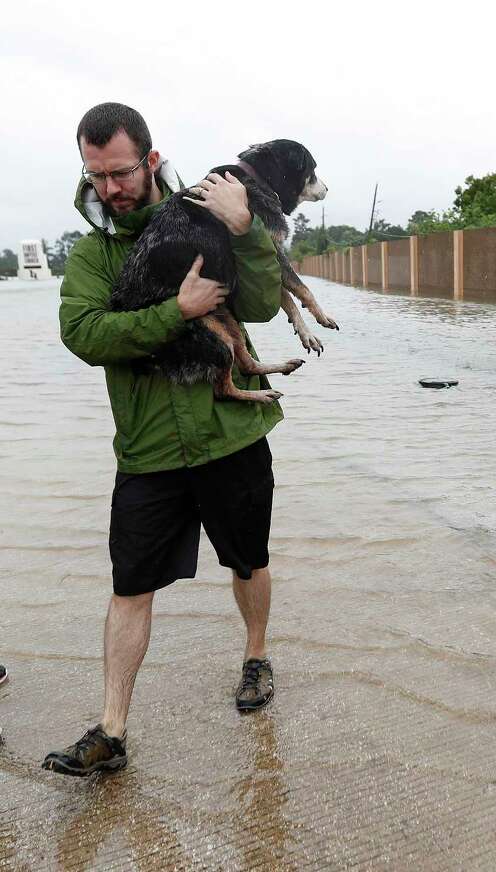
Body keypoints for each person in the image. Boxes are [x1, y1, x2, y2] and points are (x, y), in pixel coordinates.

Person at [43, 103, 286, 776]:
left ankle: (255, 656)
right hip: (148, 448)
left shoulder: (211, 216)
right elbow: (85, 334)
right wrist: (172, 312)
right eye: (95, 177)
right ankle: (112, 730)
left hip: (230, 434)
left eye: (120, 172)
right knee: (130, 586)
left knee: (247, 559)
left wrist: (247, 232)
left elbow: (262, 304)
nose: (110, 189)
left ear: (150, 161)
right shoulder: (93, 254)